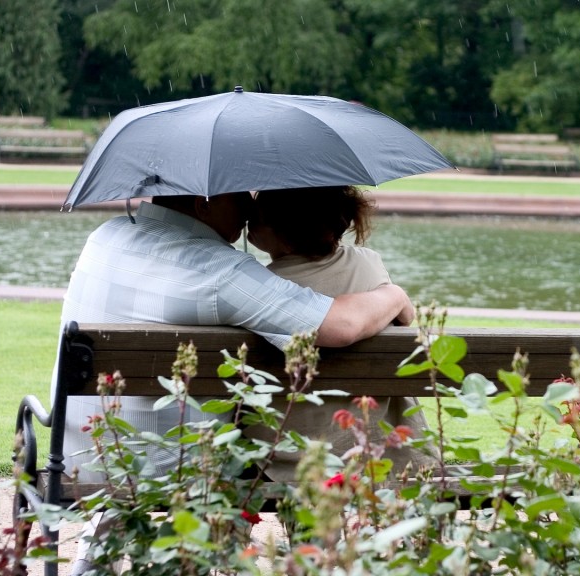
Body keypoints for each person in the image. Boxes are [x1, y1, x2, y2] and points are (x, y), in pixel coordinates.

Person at [60, 191, 414, 575]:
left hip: (80, 449)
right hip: (174, 464)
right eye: (238, 192)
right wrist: (393, 294)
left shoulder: (106, 236)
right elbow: (340, 326)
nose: (249, 204)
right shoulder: (218, 269)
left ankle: (93, 562)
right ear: (202, 203)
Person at [246, 186, 436, 481]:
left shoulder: (262, 285)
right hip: (375, 445)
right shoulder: (368, 264)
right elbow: (407, 317)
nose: (248, 219)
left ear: (281, 230)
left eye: (256, 215)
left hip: (286, 455)